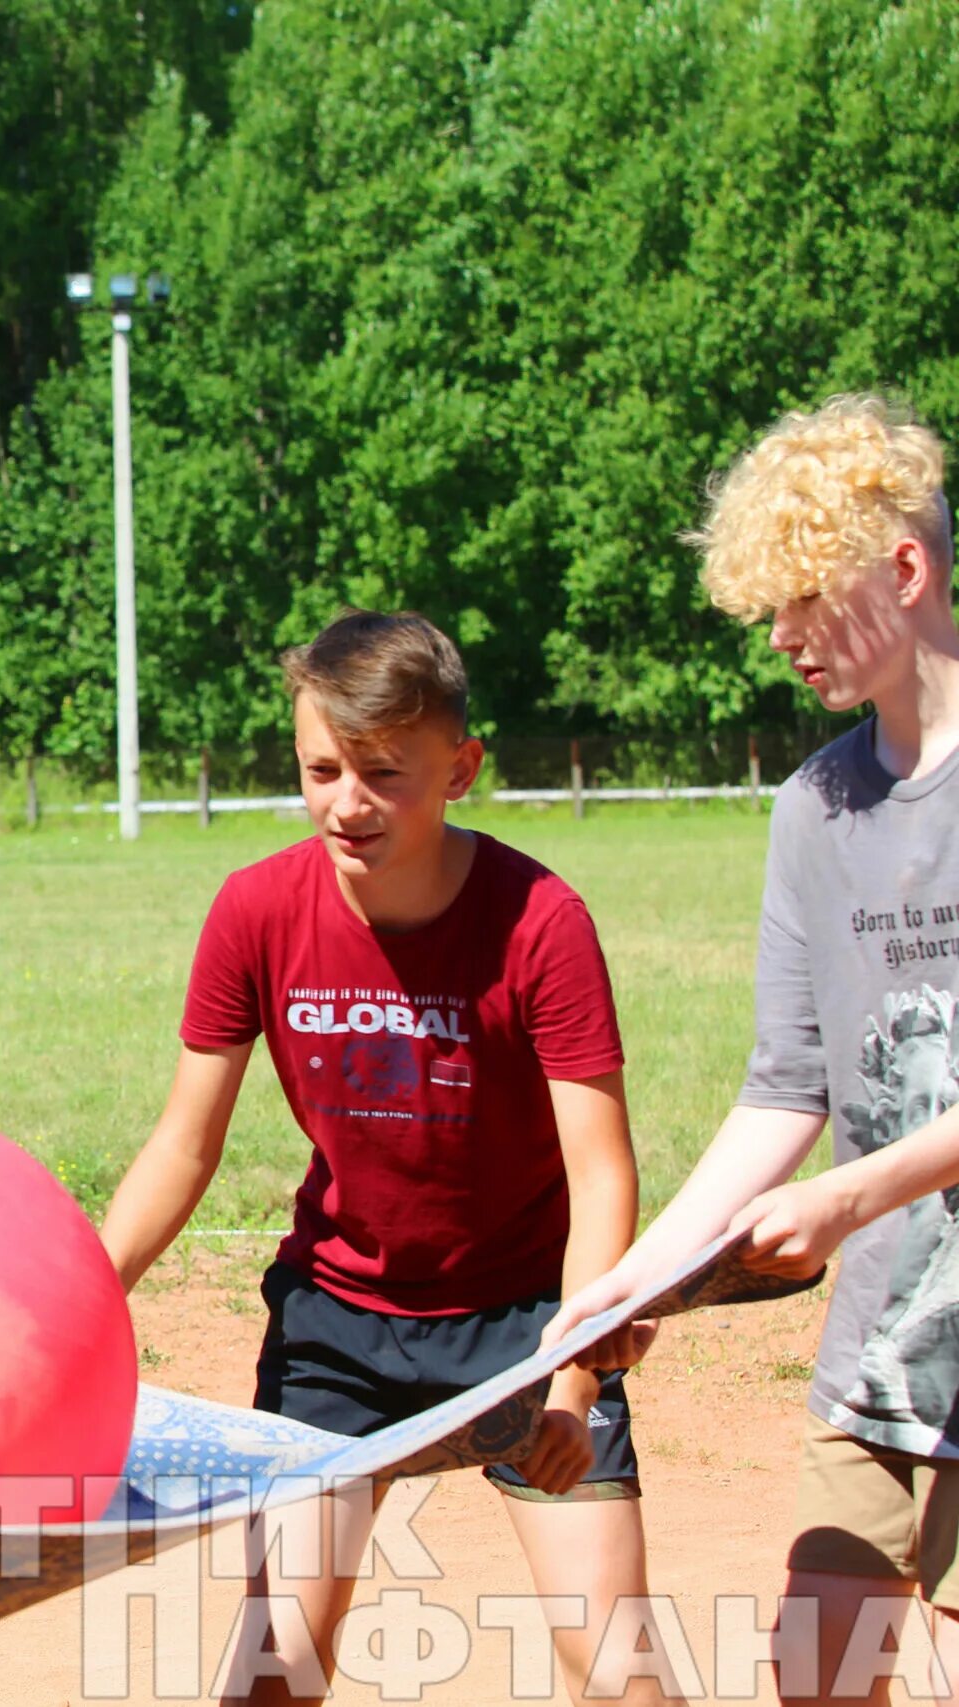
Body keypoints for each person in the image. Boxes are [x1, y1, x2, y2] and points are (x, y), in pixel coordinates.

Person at [98, 611, 679, 1706]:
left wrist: (575, 1377)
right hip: (338, 1326)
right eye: (321, 769)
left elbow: (601, 1170)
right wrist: (86, 1294)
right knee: (274, 1672)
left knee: (616, 1675)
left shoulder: (540, 921)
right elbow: (185, 1142)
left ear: (460, 768)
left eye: (381, 773)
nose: (344, 802)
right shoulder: (256, 909)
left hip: (526, 1322)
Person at [549, 394, 959, 1703]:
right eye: (764, 607)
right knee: (817, 1671)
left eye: (802, 599)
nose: (779, 638)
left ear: (905, 568)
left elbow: (834, 1166)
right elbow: (786, 1090)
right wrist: (641, 1276)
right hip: (890, 1347)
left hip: (887, 1255)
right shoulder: (815, 807)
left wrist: (852, 1190)